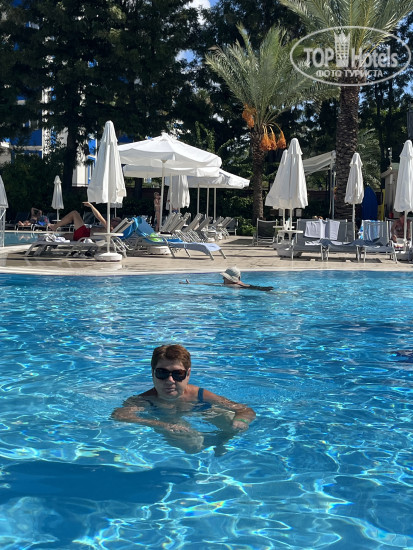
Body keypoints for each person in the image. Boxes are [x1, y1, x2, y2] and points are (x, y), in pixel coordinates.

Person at [112, 344, 256, 454]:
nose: (170, 380)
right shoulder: (145, 400)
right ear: (152, 372)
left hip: (200, 411)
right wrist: (160, 424)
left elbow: (244, 410)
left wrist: (242, 420)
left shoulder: (199, 395)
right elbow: (119, 415)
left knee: (231, 421)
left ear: (188, 374)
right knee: (192, 445)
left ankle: (220, 440)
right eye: (162, 373)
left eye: (177, 374)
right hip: (168, 420)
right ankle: (215, 442)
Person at [49, 202, 121, 241]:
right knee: (63, 236)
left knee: (74, 213)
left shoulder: (110, 228)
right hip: (85, 234)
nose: (111, 220)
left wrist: (91, 206)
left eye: (114, 220)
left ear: (117, 223)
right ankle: (52, 238)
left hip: (85, 235)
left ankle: (55, 226)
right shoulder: (111, 229)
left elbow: (99, 217)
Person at [181, 266, 273, 291]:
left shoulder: (235, 286)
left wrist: (192, 285)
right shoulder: (241, 285)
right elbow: (210, 284)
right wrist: (192, 284)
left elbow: (211, 284)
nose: (223, 278)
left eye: (225, 277)